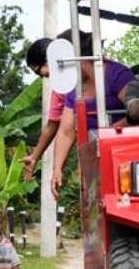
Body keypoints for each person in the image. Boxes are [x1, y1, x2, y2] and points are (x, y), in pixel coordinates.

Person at [50, 29, 134, 198]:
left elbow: (138, 112)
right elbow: (66, 132)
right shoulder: (74, 88)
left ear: (74, 58)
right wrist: (57, 169)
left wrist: (107, 133)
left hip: (124, 157)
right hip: (93, 162)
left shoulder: (116, 75)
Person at [21, 38, 63, 181]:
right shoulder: (60, 89)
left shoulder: (95, 68)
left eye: (39, 71)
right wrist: (34, 157)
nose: (42, 77)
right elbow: (53, 124)